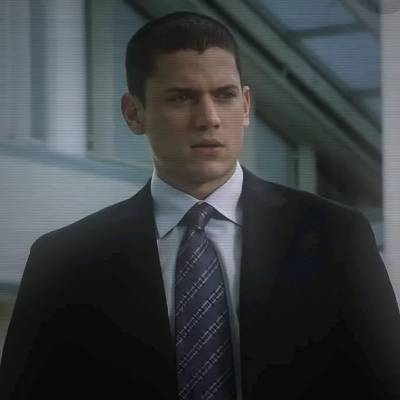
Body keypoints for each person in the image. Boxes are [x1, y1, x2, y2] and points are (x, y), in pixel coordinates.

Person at [0, 11, 399, 400]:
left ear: (246, 105)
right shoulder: (64, 260)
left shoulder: (335, 236)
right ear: (134, 113)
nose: (209, 118)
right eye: (181, 98)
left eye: (225, 96)